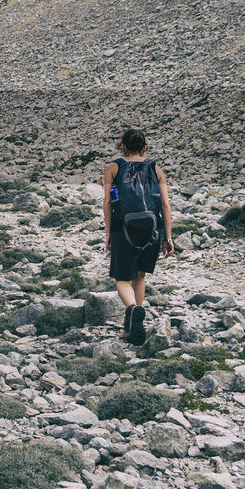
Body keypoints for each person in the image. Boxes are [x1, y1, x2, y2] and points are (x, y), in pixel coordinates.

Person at [102, 128, 173, 345]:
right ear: (144, 148)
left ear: (122, 146)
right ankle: (134, 324)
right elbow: (165, 205)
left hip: (122, 227)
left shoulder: (113, 168)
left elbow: (107, 203)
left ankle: (133, 309)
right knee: (140, 275)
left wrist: (108, 234)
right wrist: (168, 238)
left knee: (122, 278)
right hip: (152, 228)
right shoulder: (155, 168)